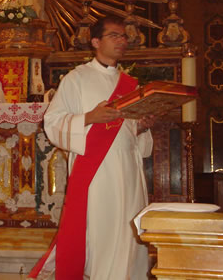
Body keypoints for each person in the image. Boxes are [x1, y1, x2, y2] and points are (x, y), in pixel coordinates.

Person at [28, 16, 154, 279]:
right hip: (98, 173)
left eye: (124, 37)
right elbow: (52, 123)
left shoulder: (130, 85)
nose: (122, 41)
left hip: (129, 170)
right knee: (103, 233)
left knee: (130, 236)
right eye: (115, 36)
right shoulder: (77, 79)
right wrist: (88, 118)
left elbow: (132, 136)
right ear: (96, 41)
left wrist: (141, 126)